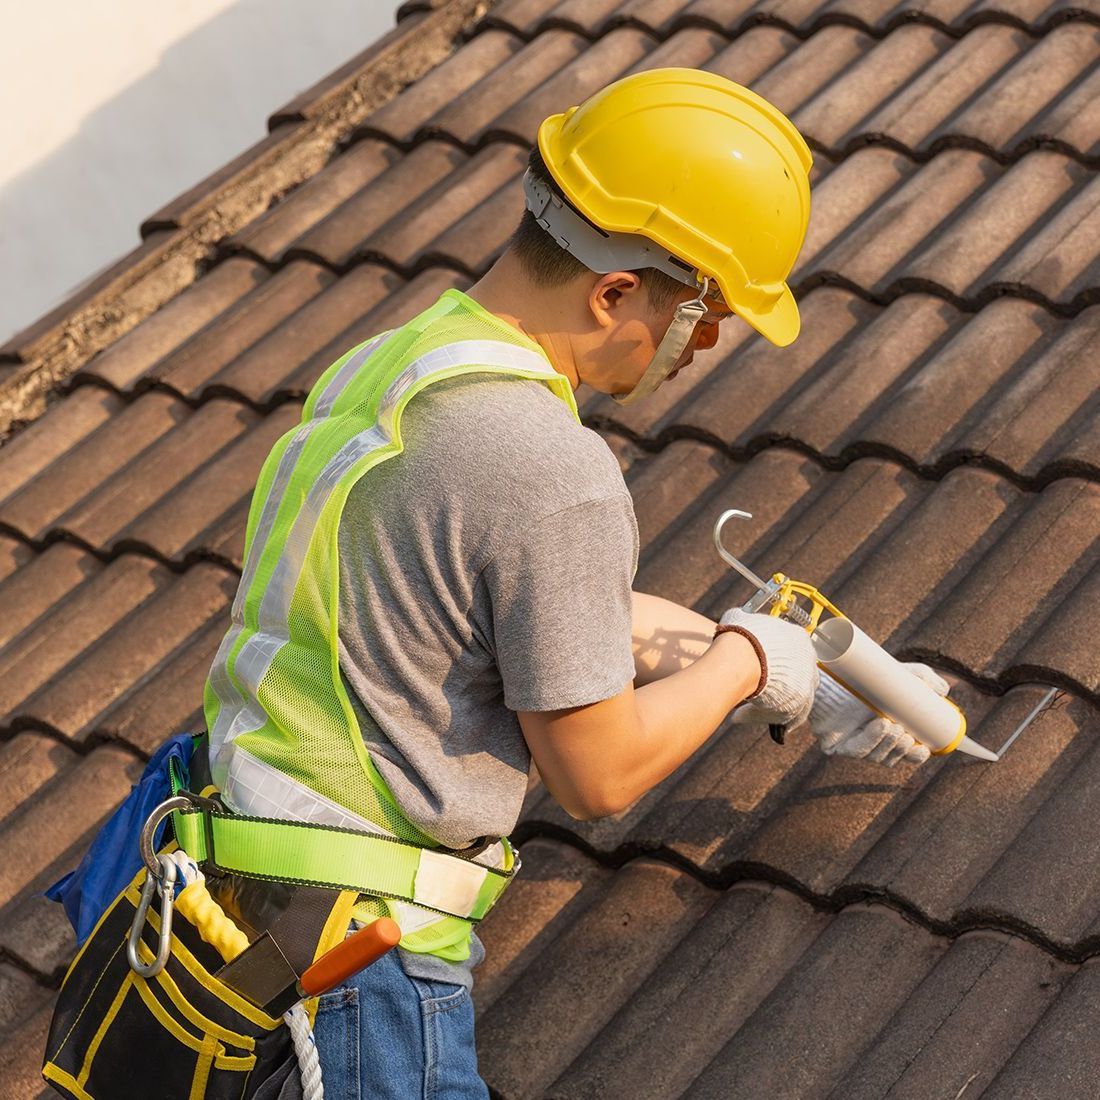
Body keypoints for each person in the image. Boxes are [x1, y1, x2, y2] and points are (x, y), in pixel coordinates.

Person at [202, 68, 939, 1099]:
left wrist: (788, 671)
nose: (709, 346)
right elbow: (596, 773)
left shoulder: (392, 365)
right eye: (706, 313)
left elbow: (496, 608)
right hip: (360, 966)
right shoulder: (550, 465)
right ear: (612, 291)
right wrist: (740, 663)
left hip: (239, 907)